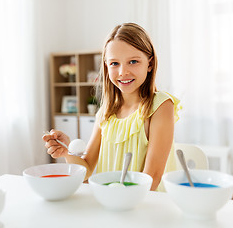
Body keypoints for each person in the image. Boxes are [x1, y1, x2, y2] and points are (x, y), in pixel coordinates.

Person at [43, 23, 180, 191]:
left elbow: (152, 178)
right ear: (106, 66)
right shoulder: (105, 113)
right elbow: (86, 169)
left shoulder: (160, 106)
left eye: (133, 61)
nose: (123, 72)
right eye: (114, 63)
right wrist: (66, 152)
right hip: (113, 203)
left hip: (144, 206)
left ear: (150, 64)